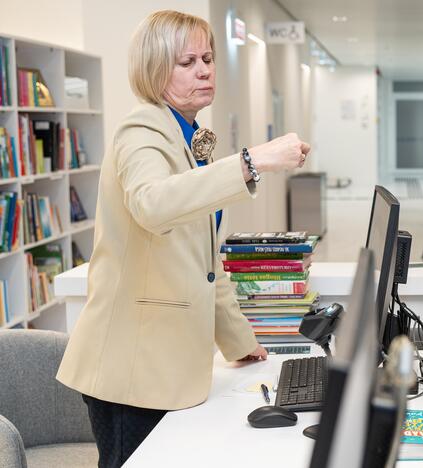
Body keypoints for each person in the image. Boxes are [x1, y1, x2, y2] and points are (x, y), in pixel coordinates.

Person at [55, 10, 311, 467]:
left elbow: (203, 262)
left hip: (165, 366)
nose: (205, 70)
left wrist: (238, 341)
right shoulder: (142, 130)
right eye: (187, 61)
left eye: (208, 58)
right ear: (155, 69)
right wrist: (251, 161)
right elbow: (154, 204)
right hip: (132, 369)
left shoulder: (187, 136)